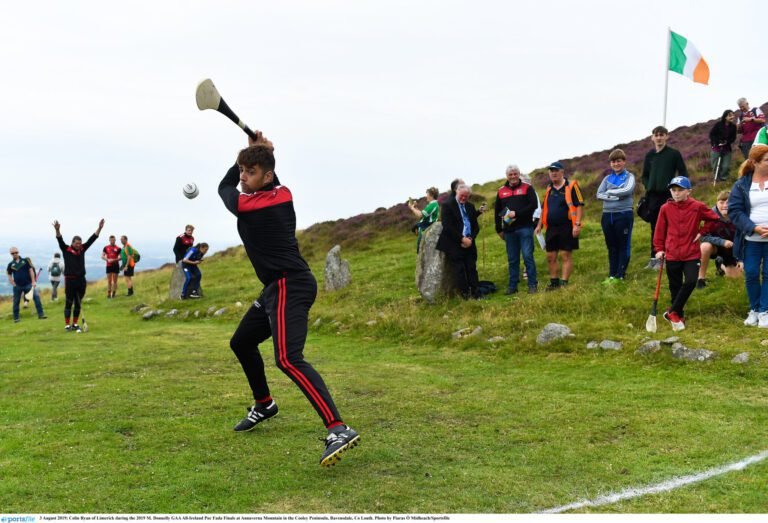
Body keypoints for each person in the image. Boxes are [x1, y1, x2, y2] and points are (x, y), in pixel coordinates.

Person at [218, 132, 359, 467]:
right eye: (241, 170)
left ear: (266, 176)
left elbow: (224, 189)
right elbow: (258, 175)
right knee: (242, 342)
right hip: (276, 287)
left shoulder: (249, 204)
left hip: (288, 286)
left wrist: (252, 155)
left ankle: (338, 428)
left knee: (288, 358)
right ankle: (264, 403)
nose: (241, 177)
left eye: (249, 172)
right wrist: (259, 152)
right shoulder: (282, 192)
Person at [653, 177, 719, 331]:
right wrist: (659, 249)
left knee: (690, 282)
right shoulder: (665, 208)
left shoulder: (697, 206)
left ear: (689, 191)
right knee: (674, 286)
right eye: (673, 190)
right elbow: (659, 230)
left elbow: (714, 219)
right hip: (672, 253)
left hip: (691, 253)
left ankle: (671, 312)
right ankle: (678, 317)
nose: (676, 193)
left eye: (680, 190)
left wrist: (702, 232)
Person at [727, 145, 768, 327]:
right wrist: (753, 228)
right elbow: (734, 211)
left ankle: (764, 311)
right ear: (754, 162)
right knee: (751, 274)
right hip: (750, 240)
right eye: (766, 160)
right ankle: (754, 310)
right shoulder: (741, 185)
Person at [641, 126, 689, 269]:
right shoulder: (649, 155)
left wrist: (677, 188)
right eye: (656, 135)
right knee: (655, 228)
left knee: (668, 227)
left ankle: (667, 258)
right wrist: (648, 186)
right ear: (652, 137)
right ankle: (654, 258)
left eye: (662, 135)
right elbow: (644, 175)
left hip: (668, 196)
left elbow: (683, 172)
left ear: (667, 136)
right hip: (652, 197)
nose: (659, 137)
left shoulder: (674, 154)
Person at [534, 161, 584, 291]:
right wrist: (539, 225)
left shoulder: (571, 186)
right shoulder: (549, 188)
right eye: (551, 171)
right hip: (551, 228)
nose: (553, 173)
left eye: (556, 170)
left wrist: (577, 224)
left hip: (567, 226)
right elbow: (545, 208)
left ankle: (564, 283)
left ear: (562, 172)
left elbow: (579, 205)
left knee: (565, 255)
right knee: (550, 256)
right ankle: (554, 283)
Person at [494, 164, 538, 294]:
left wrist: (516, 213)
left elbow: (533, 205)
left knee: (527, 256)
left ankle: (532, 285)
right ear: (507, 176)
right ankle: (512, 286)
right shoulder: (501, 191)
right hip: (509, 231)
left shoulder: (527, 188)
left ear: (519, 174)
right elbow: (497, 211)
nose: (513, 176)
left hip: (525, 228)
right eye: (510, 174)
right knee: (512, 259)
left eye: (515, 174)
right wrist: (499, 229)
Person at [54, 219, 104, 332]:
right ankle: (67, 325)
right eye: (77, 243)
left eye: (80, 243)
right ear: (72, 243)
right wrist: (57, 229)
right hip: (70, 280)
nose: (79, 245)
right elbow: (59, 239)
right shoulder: (66, 249)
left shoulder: (82, 249)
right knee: (69, 302)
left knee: (78, 303)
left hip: (81, 280)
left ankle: (75, 324)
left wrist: (100, 228)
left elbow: (92, 239)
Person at [437, 183, 485, 299]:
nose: (464, 198)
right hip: (454, 243)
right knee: (459, 270)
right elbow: (447, 226)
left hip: (469, 242)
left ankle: (476, 293)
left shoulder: (470, 206)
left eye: (466, 196)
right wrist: (461, 239)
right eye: (462, 195)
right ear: (456, 192)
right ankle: (465, 295)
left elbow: (475, 226)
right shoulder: (447, 205)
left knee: (472, 268)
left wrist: (470, 239)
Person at [596, 149, 636, 283]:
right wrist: (616, 197)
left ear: (624, 162)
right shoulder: (607, 178)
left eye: (619, 161)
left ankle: (620, 275)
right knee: (611, 246)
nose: (616, 164)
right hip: (607, 216)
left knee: (623, 245)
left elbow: (627, 190)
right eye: (613, 161)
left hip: (624, 214)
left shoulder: (630, 177)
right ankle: (612, 275)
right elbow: (598, 194)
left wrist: (609, 192)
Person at [697, 191, 742, 288]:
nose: (725, 205)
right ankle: (701, 279)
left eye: (728, 202)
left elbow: (744, 237)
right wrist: (722, 242)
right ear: (717, 203)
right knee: (705, 246)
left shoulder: (739, 216)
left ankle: (721, 265)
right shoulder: (711, 215)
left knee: (737, 278)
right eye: (721, 202)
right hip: (716, 248)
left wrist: (740, 258)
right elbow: (703, 236)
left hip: (734, 249)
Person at [7, 248, 46, 322]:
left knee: (36, 298)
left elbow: (31, 270)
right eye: (12, 253)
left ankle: (41, 315)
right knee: (16, 302)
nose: (14, 254)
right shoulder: (10, 264)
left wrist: (33, 281)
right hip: (17, 286)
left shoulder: (25, 261)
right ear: (11, 254)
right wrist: (12, 283)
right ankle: (16, 318)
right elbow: (9, 274)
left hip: (28, 284)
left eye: (16, 252)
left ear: (18, 252)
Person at [709, 110, 738, 183]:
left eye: (733, 115)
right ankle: (717, 180)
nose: (732, 117)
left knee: (726, 166)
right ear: (725, 117)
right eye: (730, 115)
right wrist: (718, 142)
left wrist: (726, 142)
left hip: (727, 149)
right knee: (715, 166)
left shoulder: (733, 127)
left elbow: (733, 138)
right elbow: (711, 135)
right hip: (716, 148)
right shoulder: (718, 124)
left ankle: (723, 180)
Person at [408, 187, 439, 253]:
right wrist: (415, 207)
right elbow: (422, 215)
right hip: (425, 228)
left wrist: (412, 208)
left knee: (421, 251)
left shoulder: (433, 205)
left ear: (431, 195)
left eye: (427, 194)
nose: (426, 196)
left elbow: (420, 215)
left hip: (426, 229)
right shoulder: (432, 204)